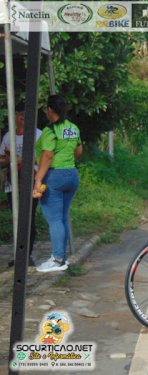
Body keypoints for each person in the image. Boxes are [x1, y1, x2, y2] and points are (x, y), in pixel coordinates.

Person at [34, 95, 83, 273]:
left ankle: (57, 259)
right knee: (61, 217)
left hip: (54, 176)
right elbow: (79, 151)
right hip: (72, 175)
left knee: (54, 219)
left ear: (50, 110)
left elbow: (47, 155)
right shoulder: (73, 128)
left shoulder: (50, 130)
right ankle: (61, 257)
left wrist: (38, 180)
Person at [0, 102, 42, 267]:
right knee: (17, 218)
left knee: (29, 218)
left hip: (33, 181)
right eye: (19, 114)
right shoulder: (8, 137)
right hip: (13, 183)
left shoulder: (38, 135)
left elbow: (45, 157)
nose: (22, 118)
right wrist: (8, 160)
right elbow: (2, 159)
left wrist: (23, 160)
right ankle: (19, 254)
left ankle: (28, 254)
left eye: (25, 115)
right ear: (15, 117)